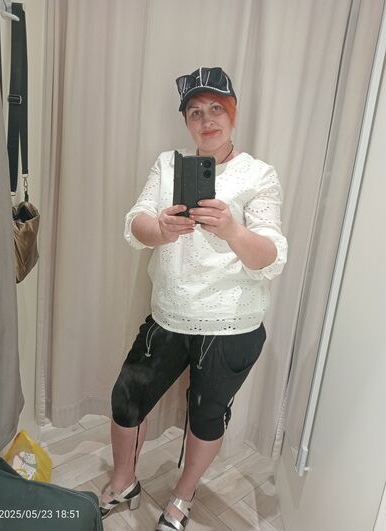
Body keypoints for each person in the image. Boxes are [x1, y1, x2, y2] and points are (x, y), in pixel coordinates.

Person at [99, 66, 288, 531]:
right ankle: (124, 482)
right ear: (185, 120)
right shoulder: (168, 164)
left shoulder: (259, 175)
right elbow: (136, 223)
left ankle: (181, 499)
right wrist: (160, 228)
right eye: (195, 112)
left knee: (206, 418)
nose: (207, 120)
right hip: (169, 314)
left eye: (216, 108)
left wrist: (232, 230)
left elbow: (270, 256)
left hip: (232, 324)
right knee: (126, 400)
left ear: (233, 113)